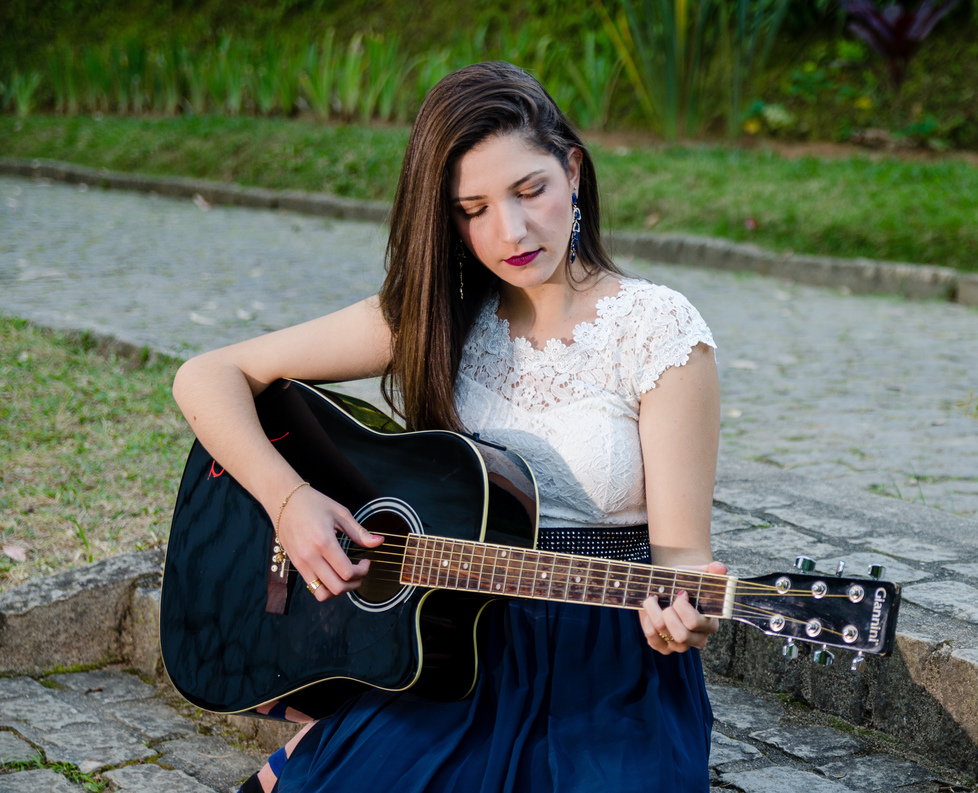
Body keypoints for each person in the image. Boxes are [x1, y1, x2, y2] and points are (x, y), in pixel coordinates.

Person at [172, 61, 724, 792]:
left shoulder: (658, 330)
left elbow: (683, 561)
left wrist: (683, 615)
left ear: (575, 172)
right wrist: (288, 500)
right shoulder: (435, 318)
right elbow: (207, 376)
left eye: (531, 190)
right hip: (454, 648)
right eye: (474, 208)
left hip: (605, 670)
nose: (513, 230)